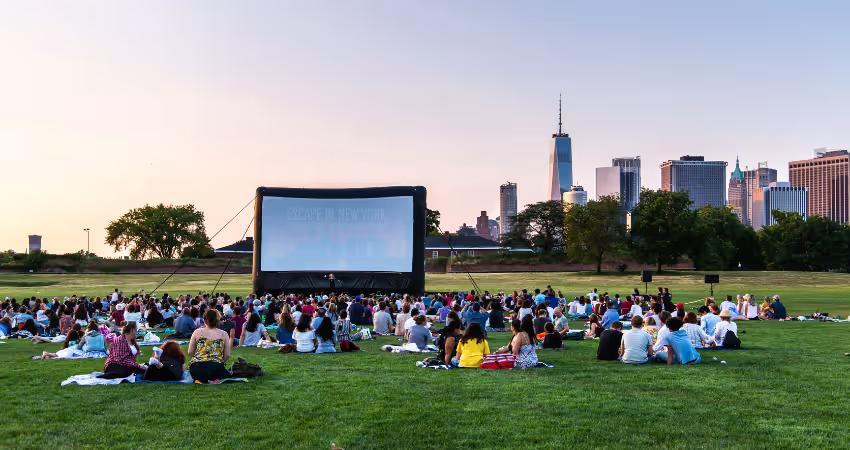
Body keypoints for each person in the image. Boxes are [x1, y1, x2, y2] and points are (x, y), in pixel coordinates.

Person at [187, 309, 232, 383]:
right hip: (216, 367)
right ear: (218, 320)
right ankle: (214, 379)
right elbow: (226, 355)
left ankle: (199, 379)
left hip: (197, 368)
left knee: (199, 373)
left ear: (204, 320)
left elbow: (190, 352)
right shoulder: (224, 334)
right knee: (226, 374)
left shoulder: (197, 332)